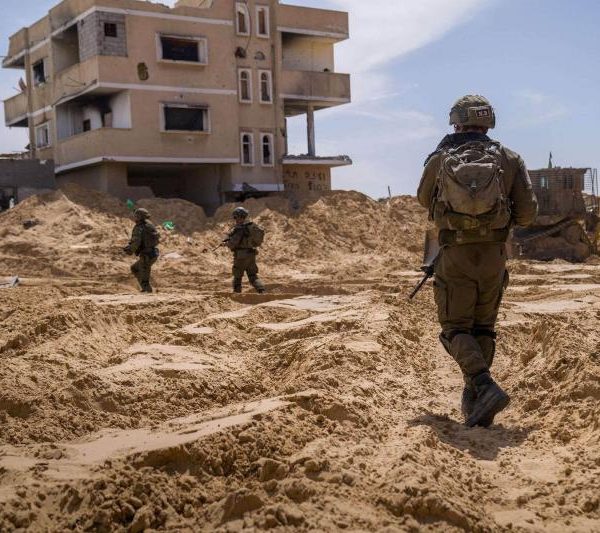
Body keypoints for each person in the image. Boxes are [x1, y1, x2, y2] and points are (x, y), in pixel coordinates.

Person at [417, 95, 538, 427]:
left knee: (455, 329)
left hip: (455, 255)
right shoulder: (510, 158)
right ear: (488, 123)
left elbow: (423, 199)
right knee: (483, 328)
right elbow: (527, 214)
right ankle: (477, 403)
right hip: (494, 257)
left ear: (456, 122)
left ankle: (483, 387)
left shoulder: (441, 158)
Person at [225, 207, 266, 294]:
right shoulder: (251, 227)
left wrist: (226, 244)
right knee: (253, 276)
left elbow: (233, 243)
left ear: (239, 217)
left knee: (237, 277)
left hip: (241, 256)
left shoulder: (240, 229)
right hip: (251, 255)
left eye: (235, 217)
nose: (235, 219)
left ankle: (237, 294)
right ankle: (262, 291)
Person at [123, 208, 160, 293]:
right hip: (152, 253)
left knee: (144, 277)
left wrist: (130, 250)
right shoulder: (150, 225)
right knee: (135, 268)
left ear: (140, 217)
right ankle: (146, 289)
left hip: (146, 255)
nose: (135, 217)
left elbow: (136, 241)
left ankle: (147, 291)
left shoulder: (139, 227)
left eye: (136, 216)